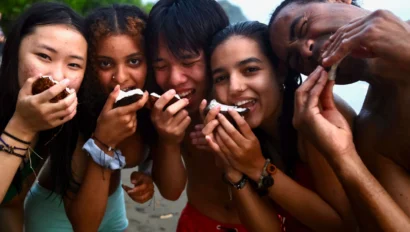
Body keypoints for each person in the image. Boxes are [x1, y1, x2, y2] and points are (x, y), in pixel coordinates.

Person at [202, 21, 356, 231]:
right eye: (221, 78)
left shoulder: (316, 114)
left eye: (250, 69)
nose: (234, 88)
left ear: (280, 71)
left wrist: (257, 167)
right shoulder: (248, 137)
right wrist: (233, 169)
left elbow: (342, 226)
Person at [268, 0, 410, 230]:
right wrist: (343, 157)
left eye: (303, 27)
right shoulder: (374, 135)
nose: (306, 51)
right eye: (295, 60)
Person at [24, 4, 154, 231]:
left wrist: (147, 173)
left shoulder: (150, 106)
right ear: (90, 66)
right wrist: (104, 143)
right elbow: (83, 226)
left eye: (134, 61)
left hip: (113, 207)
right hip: (57, 216)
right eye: (105, 63)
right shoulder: (75, 115)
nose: (120, 78)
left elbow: (156, 157)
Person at [145, 0, 263, 231]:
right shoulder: (169, 113)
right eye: (161, 66)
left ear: (215, 53)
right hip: (198, 220)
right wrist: (168, 140)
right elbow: (170, 192)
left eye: (188, 62)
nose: (175, 79)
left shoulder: (252, 107)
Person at [0, 3, 87, 231]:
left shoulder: (55, 127)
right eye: (44, 56)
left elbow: (10, 203)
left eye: (74, 64)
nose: (57, 76)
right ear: (15, 51)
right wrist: (22, 126)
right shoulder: (32, 120)